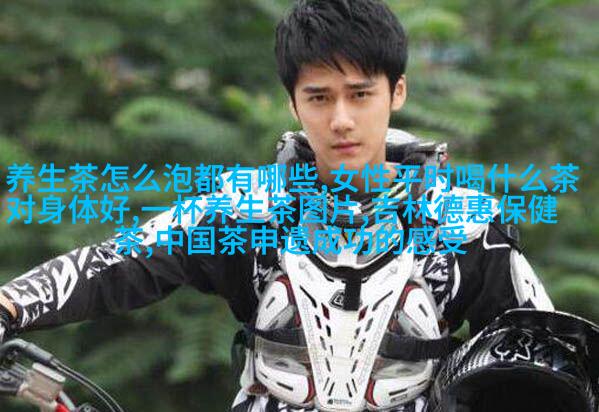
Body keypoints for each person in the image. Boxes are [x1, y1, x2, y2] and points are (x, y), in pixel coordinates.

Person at [0, 1, 555, 411]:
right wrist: (10, 306)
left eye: (360, 94)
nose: (341, 119)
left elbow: (548, 356)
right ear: (293, 102)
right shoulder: (246, 210)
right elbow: (117, 262)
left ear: (398, 91)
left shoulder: (465, 224)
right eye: (319, 97)